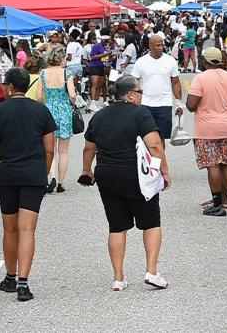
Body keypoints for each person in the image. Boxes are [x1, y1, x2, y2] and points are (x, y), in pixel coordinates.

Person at [0, 67, 55, 302]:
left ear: (8, 87)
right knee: (27, 229)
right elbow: (49, 148)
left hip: (7, 175)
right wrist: (42, 173)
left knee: (10, 229)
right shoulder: (42, 111)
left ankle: (10, 277)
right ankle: (24, 284)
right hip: (33, 176)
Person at [82, 75, 172, 291]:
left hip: (106, 174)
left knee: (116, 226)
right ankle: (151, 271)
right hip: (136, 175)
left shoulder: (100, 115)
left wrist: (87, 170)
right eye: (139, 92)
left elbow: (89, 148)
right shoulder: (141, 114)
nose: (141, 96)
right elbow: (155, 145)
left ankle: (118, 278)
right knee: (151, 222)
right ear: (130, 94)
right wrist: (165, 172)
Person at [188, 47, 227, 217]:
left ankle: (218, 204)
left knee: (213, 165)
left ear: (205, 61)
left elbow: (191, 105)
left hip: (207, 129)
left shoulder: (200, 79)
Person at [131, 34, 183, 148]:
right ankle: (146, 163)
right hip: (145, 104)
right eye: (157, 45)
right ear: (150, 46)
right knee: (145, 137)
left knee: (160, 138)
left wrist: (179, 104)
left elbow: (175, 83)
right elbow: (134, 82)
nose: (160, 48)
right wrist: (132, 101)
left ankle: (159, 164)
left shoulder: (170, 61)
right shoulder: (141, 62)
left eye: (162, 45)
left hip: (164, 105)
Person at [37, 45, 77, 194]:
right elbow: (72, 95)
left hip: (48, 111)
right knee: (64, 151)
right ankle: (60, 183)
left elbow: (39, 97)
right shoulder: (67, 73)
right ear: (61, 58)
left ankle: (51, 176)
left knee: (49, 149)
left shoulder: (43, 73)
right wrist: (71, 102)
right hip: (64, 111)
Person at [89, 35, 109, 108]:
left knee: (100, 85)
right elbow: (92, 56)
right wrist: (104, 54)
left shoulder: (104, 47)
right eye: (105, 41)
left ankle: (96, 102)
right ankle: (92, 102)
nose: (106, 42)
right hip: (95, 66)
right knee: (95, 85)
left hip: (101, 66)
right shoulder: (96, 46)